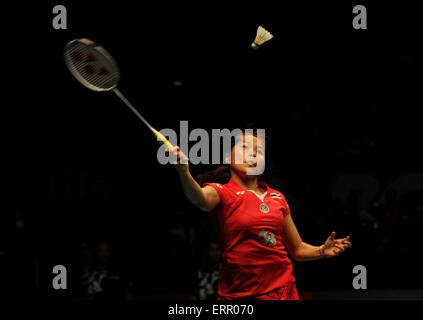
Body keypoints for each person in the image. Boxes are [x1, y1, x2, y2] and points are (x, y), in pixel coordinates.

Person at [166, 129, 352, 300]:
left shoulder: (277, 197)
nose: (253, 154)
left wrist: (321, 250)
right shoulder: (220, 192)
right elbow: (199, 199)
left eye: (259, 151)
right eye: (245, 147)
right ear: (228, 156)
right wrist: (184, 172)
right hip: (240, 295)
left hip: (283, 291)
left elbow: (297, 249)